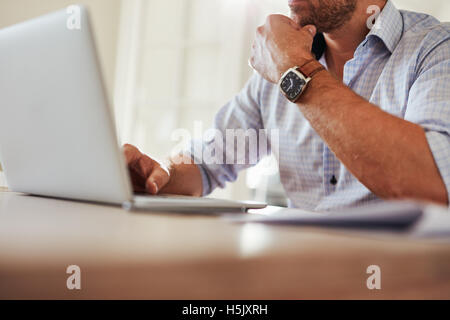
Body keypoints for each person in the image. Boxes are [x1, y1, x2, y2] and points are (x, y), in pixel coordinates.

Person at [123, 0, 450, 211]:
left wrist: (296, 70)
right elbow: (210, 160)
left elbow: (434, 184)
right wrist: (161, 172)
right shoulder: (286, 57)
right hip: (296, 274)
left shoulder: (436, 49)